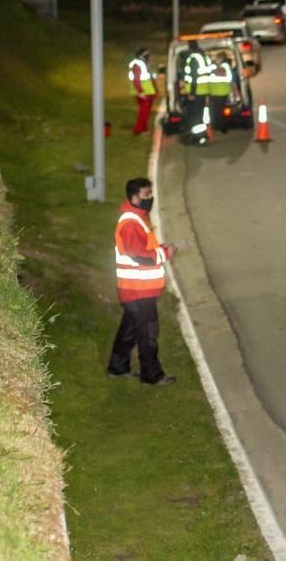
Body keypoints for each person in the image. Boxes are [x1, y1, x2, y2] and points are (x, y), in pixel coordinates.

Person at [107, 178, 178, 385]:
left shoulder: (137, 218)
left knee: (129, 329)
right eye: (147, 195)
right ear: (135, 196)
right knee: (148, 333)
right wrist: (165, 253)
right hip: (139, 291)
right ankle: (152, 375)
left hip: (134, 290)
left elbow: (143, 249)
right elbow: (138, 255)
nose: (150, 198)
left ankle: (118, 367)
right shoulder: (131, 223)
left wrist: (160, 249)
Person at [128, 48, 157, 135]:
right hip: (143, 92)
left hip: (147, 91)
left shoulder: (145, 64)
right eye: (146, 54)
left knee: (145, 112)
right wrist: (140, 92)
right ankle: (138, 129)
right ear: (140, 55)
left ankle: (143, 129)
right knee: (143, 112)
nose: (148, 55)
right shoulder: (138, 65)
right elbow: (136, 79)